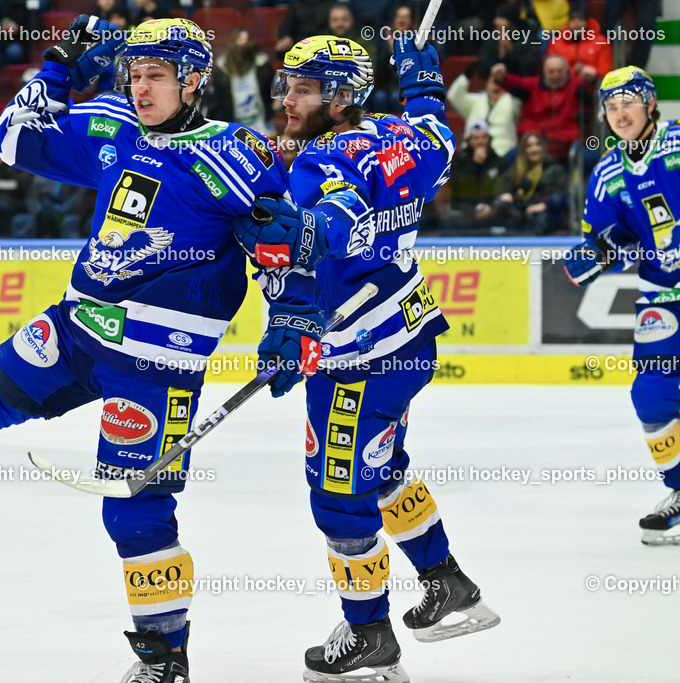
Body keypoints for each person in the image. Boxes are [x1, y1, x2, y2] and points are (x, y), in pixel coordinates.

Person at [0, 16, 322, 683]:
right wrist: (58, 66)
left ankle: (165, 658)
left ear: (195, 81)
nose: (140, 86)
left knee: (134, 510)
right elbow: (12, 137)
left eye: (156, 75)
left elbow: (281, 247)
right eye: (133, 73)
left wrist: (294, 315)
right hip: (78, 328)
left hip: (157, 359)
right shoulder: (112, 125)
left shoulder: (234, 153)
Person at [235, 34, 501, 681]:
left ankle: (369, 636)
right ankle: (447, 582)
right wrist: (423, 88)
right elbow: (436, 137)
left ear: (342, 95)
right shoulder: (404, 134)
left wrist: (298, 267)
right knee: (381, 469)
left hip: (358, 356)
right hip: (410, 336)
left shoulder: (318, 159)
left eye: (304, 88)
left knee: (337, 494)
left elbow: (338, 216)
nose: (287, 99)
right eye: (286, 85)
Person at [564, 66, 680, 546]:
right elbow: (610, 239)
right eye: (611, 106)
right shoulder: (608, 173)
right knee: (651, 398)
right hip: (661, 292)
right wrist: (596, 254)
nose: (619, 112)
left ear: (650, 104)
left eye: (629, 102)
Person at [488, 131, 567, 234]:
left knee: (538, 217)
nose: (534, 149)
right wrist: (505, 194)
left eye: (537, 145)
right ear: (523, 150)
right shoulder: (515, 171)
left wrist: (545, 204)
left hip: (545, 212)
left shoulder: (554, 169)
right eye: (529, 146)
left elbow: (560, 194)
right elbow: (505, 185)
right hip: (520, 210)